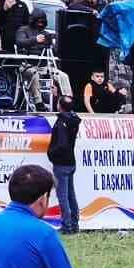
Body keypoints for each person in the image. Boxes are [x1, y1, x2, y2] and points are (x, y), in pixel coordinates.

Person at [48, 98, 81, 234]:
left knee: (63, 196)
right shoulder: (73, 120)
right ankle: (74, 223)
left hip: (61, 163)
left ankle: (67, 226)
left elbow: (62, 143)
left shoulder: (62, 122)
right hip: (70, 162)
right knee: (71, 195)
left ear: (60, 106)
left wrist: (51, 153)